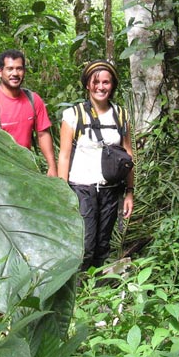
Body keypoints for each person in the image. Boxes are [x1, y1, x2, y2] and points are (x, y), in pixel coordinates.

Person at [58, 60, 135, 271]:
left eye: (106, 82)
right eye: (96, 82)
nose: (101, 87)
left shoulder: (120, 115)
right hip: (82, 188)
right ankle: (78, 291)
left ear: (113, 85)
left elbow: (128, 156)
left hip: (110, 190)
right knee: (85, 244)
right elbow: (64, 155)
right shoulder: (74, 115)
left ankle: (98, 293)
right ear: (87, 85)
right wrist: (62, 193)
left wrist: (129, 192)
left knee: (102, 245)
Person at [0, 49, 57, 177]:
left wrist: (52, 167)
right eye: (10, 69)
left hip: (25, 170)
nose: (15, 73)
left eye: (19, 69)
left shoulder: (33, 100)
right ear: (0, 72)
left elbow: (43, 134)